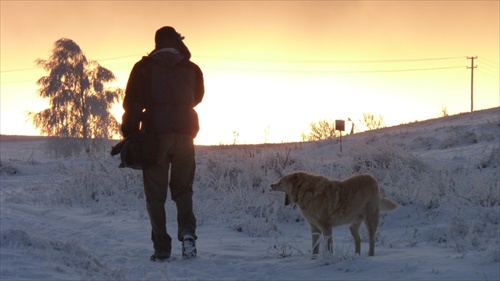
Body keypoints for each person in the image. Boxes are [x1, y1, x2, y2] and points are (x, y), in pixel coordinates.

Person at [121, 26, 204, 261]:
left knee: (155, 196)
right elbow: (196, 98)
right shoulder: (192, 68)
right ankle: (188, 234)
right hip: (185, 136)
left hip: (155, 138)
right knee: (183, 190)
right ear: (177, 42)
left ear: (156, 43)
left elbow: (132, 104)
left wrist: (129, 132)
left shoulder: (143, 68)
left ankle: (161, 248)